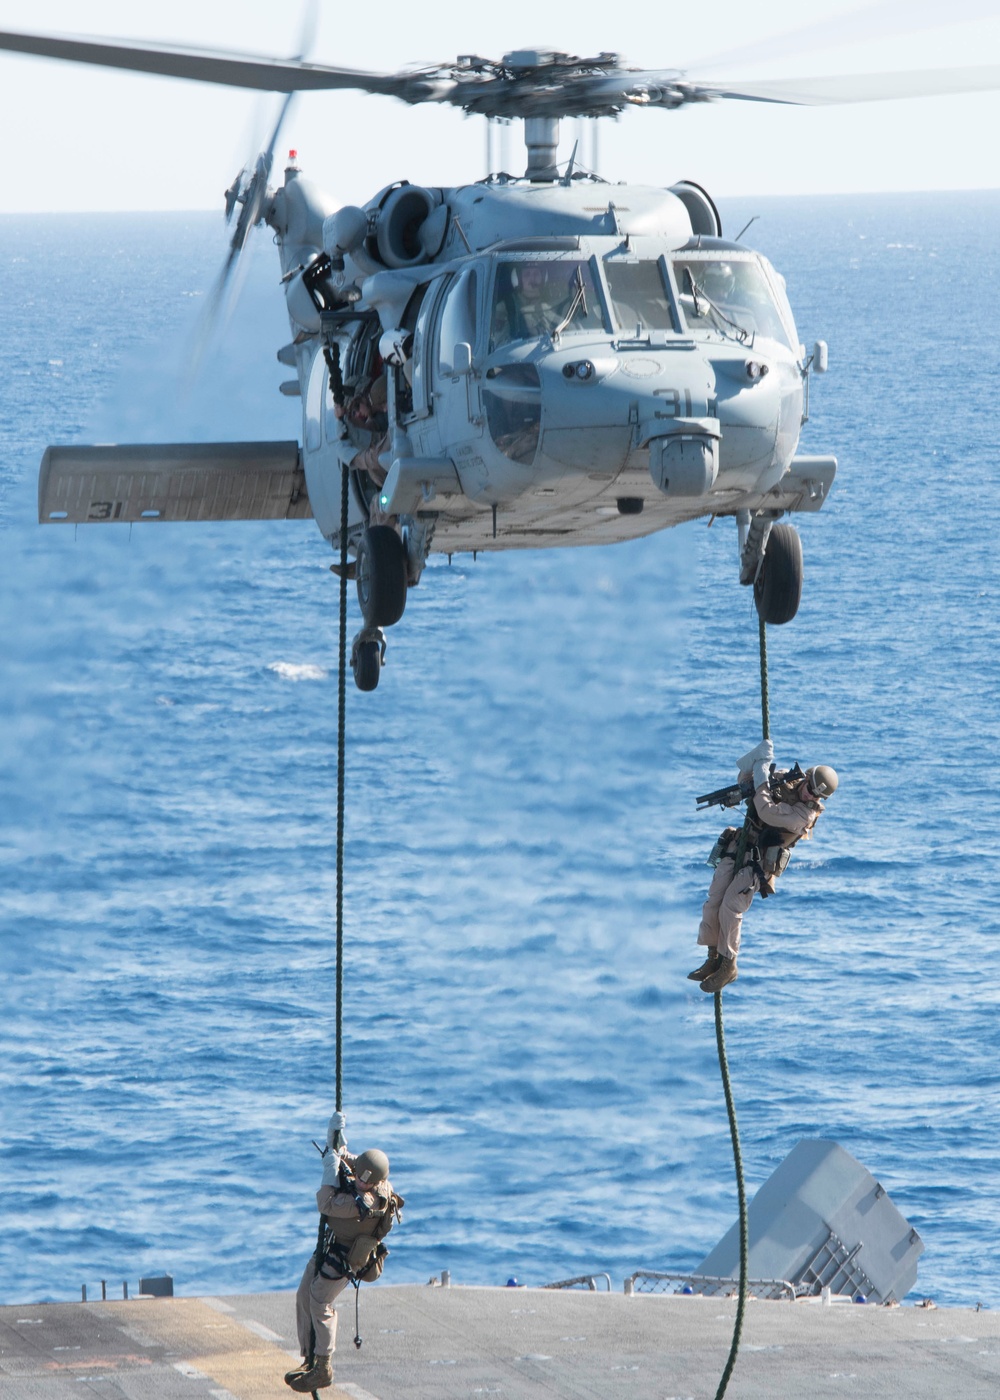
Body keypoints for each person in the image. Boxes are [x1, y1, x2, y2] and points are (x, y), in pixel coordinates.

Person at [689, 739, 838, 993]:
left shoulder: (804, 815)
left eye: (815, 795)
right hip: (740, 843)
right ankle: (712, 957)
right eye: (809, 788)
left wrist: (761, 778)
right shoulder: (788, 779)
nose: (808, 795)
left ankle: (728, 965)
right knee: (714, 900)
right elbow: (747, 782)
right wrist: (757, 763)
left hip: (758, 862)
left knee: (731, 907)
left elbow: (767, 810)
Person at [285, 1113, 398, 1394]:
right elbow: (347, 1157)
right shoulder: (372, 1175)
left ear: (373, 1183)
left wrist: (329, 1170)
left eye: (363, 1181)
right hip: (330, 1244)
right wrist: (334, 1137)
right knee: (304, 1295)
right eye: (358, 1177)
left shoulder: (367, 1202)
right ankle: (309, 1356)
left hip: (346, 1257)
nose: (358, 1181)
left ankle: (323, 1366)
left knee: (321, 1302)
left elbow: (326, 1203)